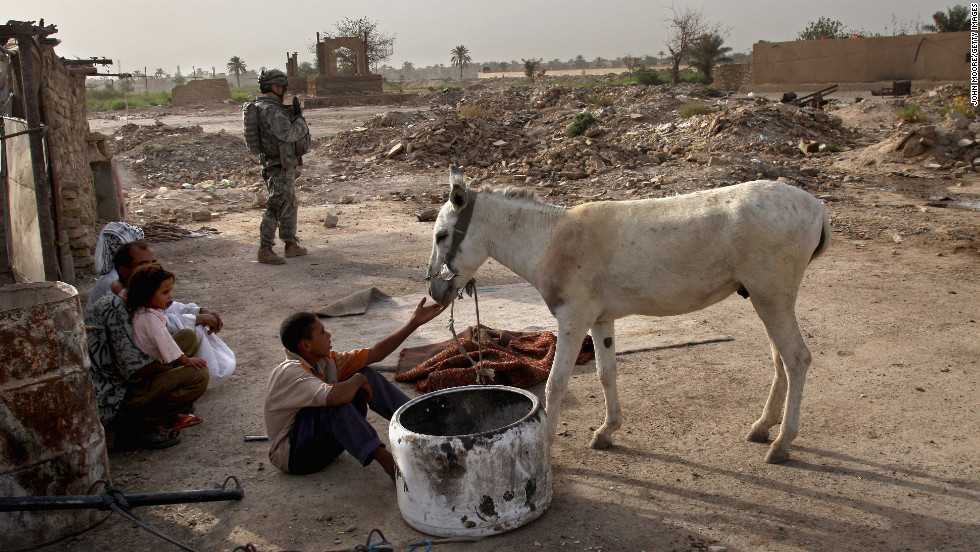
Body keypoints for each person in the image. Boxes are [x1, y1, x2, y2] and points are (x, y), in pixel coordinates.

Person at [265, 299, 446, 480]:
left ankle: (424, 422)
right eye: (322, 332)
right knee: (337, 399)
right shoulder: (291, 372)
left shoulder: (326, 361)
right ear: (305, 345)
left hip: (322, 445)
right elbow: (335, 397)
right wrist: (358, 381)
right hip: (294, 456)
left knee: (363, 372)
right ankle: (389, 463)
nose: (329, 335)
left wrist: (414, 322)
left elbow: (375, 353)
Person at [87, 240, 236, 388]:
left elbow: (170, 308)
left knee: (188, 336)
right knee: (197, 374)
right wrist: (179, 369)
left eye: (154, 262)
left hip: (142, 364)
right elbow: (134, 369)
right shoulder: (118, 307)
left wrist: (199, 311)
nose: (153, 268)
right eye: (144, 264)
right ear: (124, 271)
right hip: (117, 390)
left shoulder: (134, 292)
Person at [251, 69, 311, 264]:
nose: (284, 92)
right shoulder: (272, 110)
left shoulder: (264, 107)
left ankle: (290, 243)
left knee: (289, 203)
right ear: (276, 87)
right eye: (283, 88)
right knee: (276, 204)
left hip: (279, 162)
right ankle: (265, 248)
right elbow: (289, 134)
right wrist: (300, 120)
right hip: (278, 164)